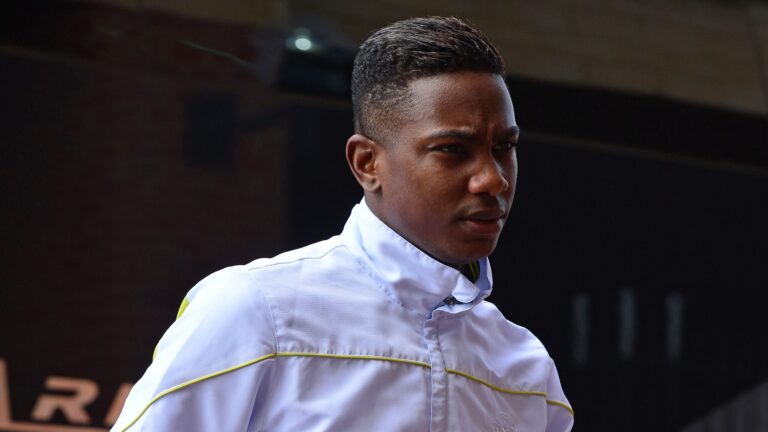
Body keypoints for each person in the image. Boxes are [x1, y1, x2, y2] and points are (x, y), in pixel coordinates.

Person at [112, 16, 573, 432]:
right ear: (367, 163)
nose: (492, 179)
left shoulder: (526, 368)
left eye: (504, 147)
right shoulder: (256, 310)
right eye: (453, 149)